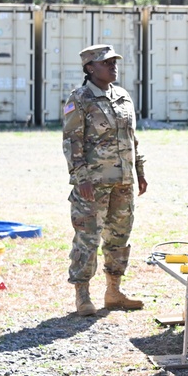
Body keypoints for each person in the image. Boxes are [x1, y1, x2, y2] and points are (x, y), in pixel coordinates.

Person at [63, 44, 148, 316]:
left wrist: (140, 171)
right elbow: (71, 141)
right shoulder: (80, 99)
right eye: (106, 62)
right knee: (87, 238)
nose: (113, 66)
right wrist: (81, 178)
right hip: (93, 184)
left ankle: (114, 291)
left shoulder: (122, 96)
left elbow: (132, 138)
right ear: (90, 68)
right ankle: (83, 295)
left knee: (119, 237)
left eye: (114, 61)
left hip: (124, 182)